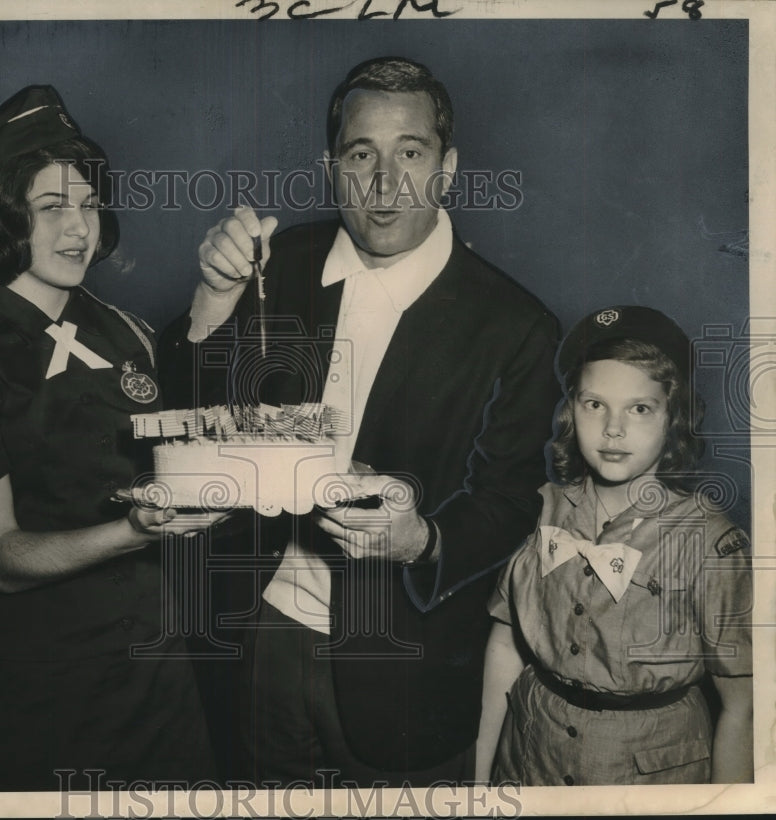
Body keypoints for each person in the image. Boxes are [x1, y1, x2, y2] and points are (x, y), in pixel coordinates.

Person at [157, 56, 561, 786]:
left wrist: (422, 539)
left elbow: (510, 502)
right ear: (331, 167)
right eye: (360, 154)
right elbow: (190, 423)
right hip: (261, 635)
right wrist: (212, 307)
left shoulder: (516, 324)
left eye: (411, 152)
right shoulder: (270, 266)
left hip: (407, 662)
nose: (385, 183)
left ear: (447, 167)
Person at [0, 86, 220, 790]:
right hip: (50, 691)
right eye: (51, 207)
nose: (79, 228)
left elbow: (177, 454)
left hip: (159, 681)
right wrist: (132, 531)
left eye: (89, 203)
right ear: (3, 215)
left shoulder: (121, 328)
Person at [475, 305, 754, 785]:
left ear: (674, 417)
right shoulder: (540, 508)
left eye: (640, 408)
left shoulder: (711, 542)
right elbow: (505, 645)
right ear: (570, 410)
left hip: (648, 777)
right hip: (529, 763)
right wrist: (478, 783)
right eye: (595, 403)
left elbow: (743, 709)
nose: (613, 429)